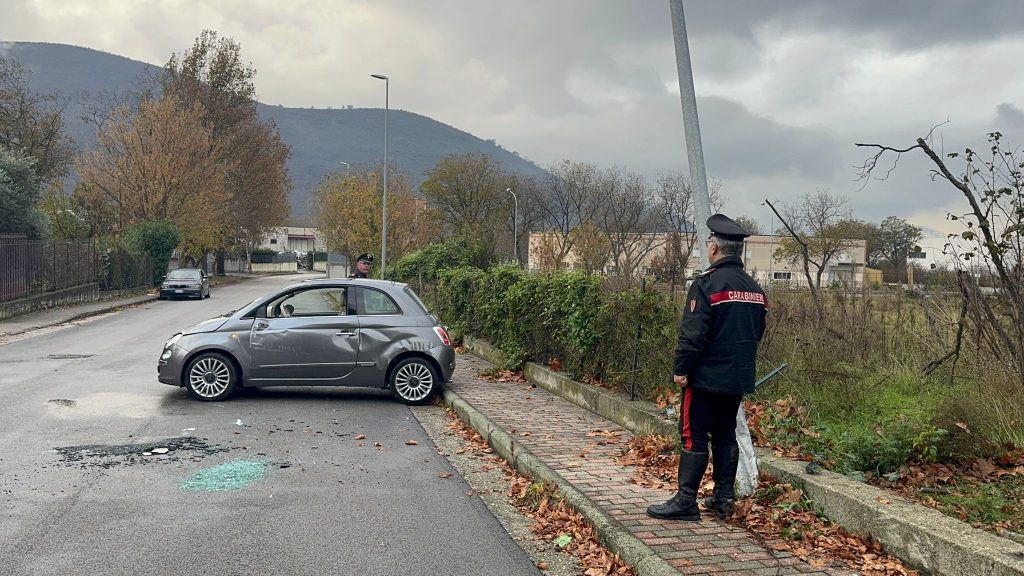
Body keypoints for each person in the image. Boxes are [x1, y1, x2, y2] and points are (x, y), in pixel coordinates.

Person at [647, 214, 768, 522]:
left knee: (693, 434)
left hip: (704, 376)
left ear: (714, 248)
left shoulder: (707, 285)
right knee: (725, 434)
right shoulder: (755, 290)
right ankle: (724, 499)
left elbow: (693, 335)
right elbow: (758, 332)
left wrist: (681, 369)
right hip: (737, 377)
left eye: (709, 243)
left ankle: (686, 500)